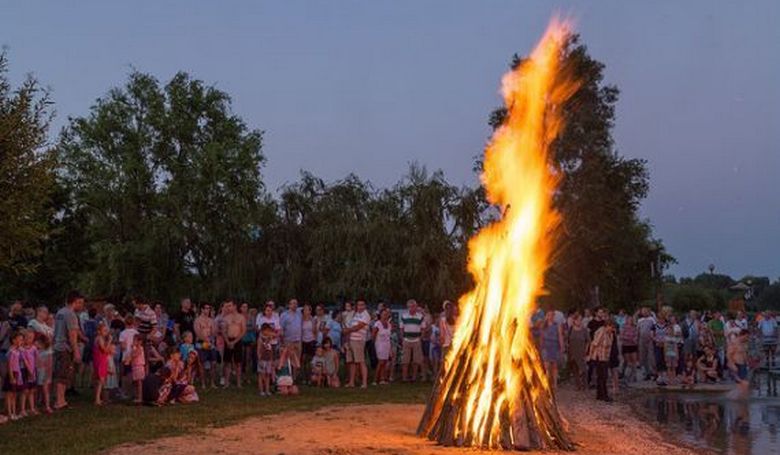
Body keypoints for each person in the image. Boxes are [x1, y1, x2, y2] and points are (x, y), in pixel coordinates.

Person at [52, 290, 85, 410]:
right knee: (63, 375)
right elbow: (72, 335)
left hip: (57, 346)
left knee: (60, 374)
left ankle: (60, 399)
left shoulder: (60, 312)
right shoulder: (71, 315)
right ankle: (60, 401)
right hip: (65, 348)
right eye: (80, 303)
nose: (82, 306)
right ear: (75, 302)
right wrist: (76, 351)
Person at [344, 299, 370, 388]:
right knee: (352, 362)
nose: (360, 307)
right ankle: (351, 382)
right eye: (359, 305)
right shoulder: (355, 314)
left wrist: (348, 330)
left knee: (361, 361)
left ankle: (364, 383)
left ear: (365, 306)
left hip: (359, 340)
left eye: (362, 305)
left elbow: (358, 327)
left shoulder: (365, 315)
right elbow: (351, 325)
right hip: (351, 339)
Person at [221, 300, 246, 388]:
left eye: (230, 306)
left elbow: (243, 331)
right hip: (228, 340)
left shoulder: (241, 317)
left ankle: (239, 383)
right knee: (227, 362)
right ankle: (227, 382)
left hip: (237, 340)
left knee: (238, 362)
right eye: (227, 306)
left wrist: (235, 341)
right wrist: (228, 341)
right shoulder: (225, 318)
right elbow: (223, 331)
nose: (228, 308)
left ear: (235, 306)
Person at [400, 299, 425, 382]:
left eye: (414, 306)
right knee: (405, 360)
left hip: (416, 340)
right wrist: (402, 338)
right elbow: (401, 328)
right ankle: (404, 378)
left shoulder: (420, 316)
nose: (412, 308)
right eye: (410, 306)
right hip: (406, 339)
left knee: (416, 360)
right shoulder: (404, 316)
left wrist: (420, 337)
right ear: (408, 307)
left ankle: (414, 378)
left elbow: (423, 328)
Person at [591, 319, 615, 402]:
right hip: (599, 357)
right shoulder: (601, 332)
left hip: (605, 357)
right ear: (607, 326)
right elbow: (594, 344)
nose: (612, 329)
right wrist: (590, 356)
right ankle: (603, 395)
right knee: (603, 376)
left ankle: (600, 394)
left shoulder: (611, 334)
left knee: (602, 377)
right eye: (611, 327)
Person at [194, 303, 217, 388]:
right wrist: (205, 339)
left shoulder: (211, 320)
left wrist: (210, 339)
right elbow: (198, 332)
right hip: (201, 343)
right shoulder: (197, 320)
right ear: (202, 309)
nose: (207, 310)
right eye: (206, 308)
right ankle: (203, 383)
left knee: (213, 363)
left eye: (209, 308)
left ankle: (212, 383)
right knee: (201, 364)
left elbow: (214, 332)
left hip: (211, 343)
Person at [541, 310, 564, 390]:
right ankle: (547, 383)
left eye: (552, 315)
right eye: (549, 315)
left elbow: (560, 335)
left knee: (554, 366)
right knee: (546, 366)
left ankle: (555, 384)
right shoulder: (544, 325)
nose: (550, 317)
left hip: (554, 345)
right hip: (546, 346)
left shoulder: (557, 325)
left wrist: (562, 346)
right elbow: (541, 336)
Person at [279, 299, 303, 378]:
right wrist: (282, 341)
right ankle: (287, 376)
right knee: (287, 360)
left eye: (296, 303)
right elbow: (281, 328)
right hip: (288, 341)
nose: (295, 305)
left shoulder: (299, 314)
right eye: (293, 303)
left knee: (296, 360)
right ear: (289, 305)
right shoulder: (284, 315)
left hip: (297, 341)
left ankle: (294, 377)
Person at [567, 312, 590, 390]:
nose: (580, 321)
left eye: (581, 320)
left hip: (581, 351)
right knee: (575, 369)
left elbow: (588, 341)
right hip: (572, 351)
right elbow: (567, 340)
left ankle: (585, 385)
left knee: (584, 370)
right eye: (578, 320)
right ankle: (578, 385)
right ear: (574, 320)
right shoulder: (571, 329)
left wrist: (586, 351)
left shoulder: (584, 330)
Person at [4, 331, 24, 420]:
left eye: (22, 340)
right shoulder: (11, 351)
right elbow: (10, 365)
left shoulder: (17, 351)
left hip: (17, 373)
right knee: (9, 394)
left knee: (14, 394)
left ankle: (14, 412)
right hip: (12, 374)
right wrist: (11, 377)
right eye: (19, 340)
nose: (21, 342)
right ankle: (9, 413)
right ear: (14, 340)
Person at [727, 329, 750, 397]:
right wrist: (732, 364)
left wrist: (748, 362)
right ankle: (741, 400)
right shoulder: (734, 343)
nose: (747, 338)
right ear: (741, 335)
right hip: (736, 366)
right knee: (745, 384)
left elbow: (744, 354)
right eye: (746, 336)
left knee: (742, 386)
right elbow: (728, 355)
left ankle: (741, 401)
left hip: (743, 366)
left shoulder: (744, 344)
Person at [372, 308, 393, 385]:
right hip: (379, 344)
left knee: (385, 362)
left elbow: (389, 337)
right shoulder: (377, 324)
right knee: (380, 362)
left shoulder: (389, 324)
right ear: (380, 315)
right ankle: (375, 379)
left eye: (386, 314)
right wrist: (374, 344)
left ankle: (382, 378)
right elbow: (373, 335)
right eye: (384, 314)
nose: (385, 316)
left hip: (387, 345)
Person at [20, 329, 38, 416]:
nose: (29, 340)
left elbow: (36, 358)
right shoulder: (22, 349)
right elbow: (25, 360)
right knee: (25, 391)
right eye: (28, 338)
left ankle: (32, 408)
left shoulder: (34, 348)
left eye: (31, 338)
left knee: (31, 390)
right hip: (25, 371)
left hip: (33, 370)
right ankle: (22, 409)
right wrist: (29, 370)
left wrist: (34, 369)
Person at [92, 323, 111, 406]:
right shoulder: (99, 338)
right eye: (104, 331)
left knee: (99, 380)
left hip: (101, 359)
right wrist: (109, 341)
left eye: (106, 330)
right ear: (99, 331)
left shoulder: (100, 338)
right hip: (100, 360)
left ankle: (100, 397)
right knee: (100, 380)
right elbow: (104, 350)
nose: (106, 332)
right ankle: (97, 399)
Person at [34, 333, 53, 414]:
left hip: (44, 373)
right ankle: (36, 404)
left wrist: (47, 375)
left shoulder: (47, 352)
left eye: (37, 342)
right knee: (37, 389)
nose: (35, 343)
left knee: (45, 390)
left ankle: (47, 406)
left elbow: (49, 365)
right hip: (37, 372)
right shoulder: (36, 351)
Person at [636, 307, 656, 380]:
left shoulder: (652, 320)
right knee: (643, 357)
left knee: (651, 357)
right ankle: (647, 373)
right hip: (642, 340)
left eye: (645, 311)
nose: (644, 313)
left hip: (650, 340)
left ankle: (654, 372)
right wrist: (637, 339)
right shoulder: (640, 320)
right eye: (643, 311)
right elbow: (638, 330)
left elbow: (655, 328)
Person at [256, 323, 275, 396]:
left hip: (268, 359)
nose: (268, 332)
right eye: (267, 330)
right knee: (261, 375)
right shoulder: (260, 339)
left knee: (268, 375)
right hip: (262, 359)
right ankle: (261, 390)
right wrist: (259, 359)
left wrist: (272, 358)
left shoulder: (269, 338)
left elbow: (270, 349)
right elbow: (258, 350)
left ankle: (267, 390)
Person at [620, 315, 639, 382]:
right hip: (626, 345)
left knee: (634, 361)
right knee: (628, 361)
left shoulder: (634, 327)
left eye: (631, 320)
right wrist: (629, 339)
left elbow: (636, 335)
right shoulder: (624, 327)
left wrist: (634, 339)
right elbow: (621, 336)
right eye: (628, 319)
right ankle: (627, 375)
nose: (630, 321)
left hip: (633, 345)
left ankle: (634, 375)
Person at [300, 304, 317, 384]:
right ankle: (303, 377)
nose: (307, 312)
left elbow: (315, 331)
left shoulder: (313, 320)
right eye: (305, 310)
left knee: (310, 360)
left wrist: (315, 340)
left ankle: (310, 377)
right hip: (303, 341)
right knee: (303, 360)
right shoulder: (301, 320)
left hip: (311, 340)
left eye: (308, 310)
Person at [130, 334, 146, 403]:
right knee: (136, 382)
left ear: (140, 341)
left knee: (139, 382)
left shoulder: (140, 348)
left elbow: (134, 355)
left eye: (135, 340)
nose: (133, 341)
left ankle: (140, 397)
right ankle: (136, 396)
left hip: (139, 366)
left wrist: (133, 347)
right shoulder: (135, 348)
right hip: (135, 366)